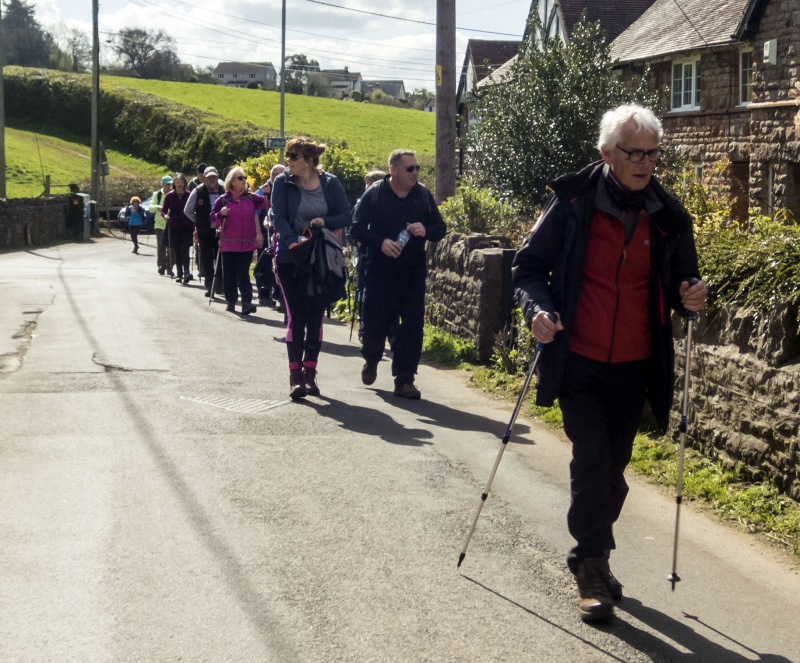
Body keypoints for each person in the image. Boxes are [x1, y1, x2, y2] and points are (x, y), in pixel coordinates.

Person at [511, 104, 708, 622]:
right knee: (592, 459)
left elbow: (683, 279)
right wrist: (537, 310)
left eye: (652, 153)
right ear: (606, 154)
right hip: (577, 357)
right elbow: (527, 266)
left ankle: (594, 548)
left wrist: (690, 293)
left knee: (615, 470)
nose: (645, 162)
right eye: (634, 153)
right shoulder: (572, 202)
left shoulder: (668, 215)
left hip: (635, 363)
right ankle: (590, 564)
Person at [350, 149, 446, 400]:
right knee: (375, 324)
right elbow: (355, 229)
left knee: (412, 327)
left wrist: (425, 229)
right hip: (379, 273)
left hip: (412, 273)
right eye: (410, 168)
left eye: (417, 168)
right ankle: (371, 359)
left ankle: (404, 380)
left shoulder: (422, 195)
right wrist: (380, 242)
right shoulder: (375, 194)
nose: (415, 173)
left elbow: (440, 228)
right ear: (393, 170)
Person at [272, 138, 351, 400]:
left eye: (293, 156)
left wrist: (325, 221)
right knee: (296, 314)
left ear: (308, 160)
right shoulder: (283, 182)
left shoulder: (329, 183)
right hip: (290, 255)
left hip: (320, 259)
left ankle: (309, 373)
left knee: (316, 316)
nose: (289, 161)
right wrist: (291, 240)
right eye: (288, 156)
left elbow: (347, 215)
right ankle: (295, 376)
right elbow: (279, 216)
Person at [210, 167, 265, 314]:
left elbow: (268, 203)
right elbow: (212, 220)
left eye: (244, 177)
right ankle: (231, 301)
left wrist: (269, 191)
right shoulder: (222, 200)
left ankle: (246, 303)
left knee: (243, 274)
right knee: (230, 274)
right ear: (232, 182)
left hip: (246, 245)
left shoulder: (252, 198)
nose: (244, 180)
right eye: (240, 178)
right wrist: (220, 214)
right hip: (228, 244)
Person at [350, 170, 387, 342]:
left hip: (386, 256)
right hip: (365, 256)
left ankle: (388, 330)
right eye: (367, 185)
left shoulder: (389, 203)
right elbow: (350, 230)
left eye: (370, 185)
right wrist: (359, 243)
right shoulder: (360, 204)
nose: (368, 188)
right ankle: (364, 327)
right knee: (363, 292)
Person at [185, 166, 226, 297]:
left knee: (221, 258)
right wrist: (198, 221)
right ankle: (210, 285)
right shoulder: (198, 191)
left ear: (218, 177)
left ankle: (219, 284)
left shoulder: (223, 190)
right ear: (204, 179)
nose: (212, 179)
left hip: (221, 230)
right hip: (205, 231)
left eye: (214, 177)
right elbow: (187, 210)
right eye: (209, 177)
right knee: (207, 258)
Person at [253, 165, 283, 306]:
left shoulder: (286, 187)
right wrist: (258, 233)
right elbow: (256, 214)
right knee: (263, 262)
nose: (277, 176)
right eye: (274, 173)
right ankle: (263, 293)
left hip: (279, 233)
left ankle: (278, 292)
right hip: (265, 232)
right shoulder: (261, 191)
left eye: (280, 173)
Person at [161, 173, 193, 285]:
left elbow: (194, 208)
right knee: (177, 251)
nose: (179, 184)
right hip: (174, 226)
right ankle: (179, 274)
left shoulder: (189, 195)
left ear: (184, 183)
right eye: (177, 182)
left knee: (185, 249)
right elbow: (164, 210)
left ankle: (187, 272)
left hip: (186, 225)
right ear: (174, 183)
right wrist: (165, 216)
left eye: (181, 182)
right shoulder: (170, 195)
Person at [150, 175, 174, 276]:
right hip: (159, 225)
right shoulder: (157, 194)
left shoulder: (174, 194)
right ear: (162, 184)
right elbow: (150, 208)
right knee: (161, 246)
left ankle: (170, 267)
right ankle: (161, 266)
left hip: (172, 224)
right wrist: (158, 207)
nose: (169, 186)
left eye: (170, 184)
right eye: (167, 184)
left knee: (172, 247)